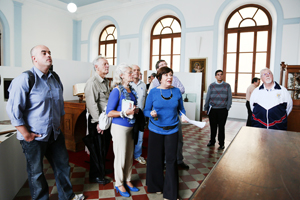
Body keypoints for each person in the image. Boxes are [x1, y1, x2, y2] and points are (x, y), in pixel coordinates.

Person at [6, 45, 84, 200]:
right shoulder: (24, 79)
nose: (48, 55)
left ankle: (67, 196)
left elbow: (59, 106)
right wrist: (26, 134)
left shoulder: (55, 78)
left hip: (54, 134)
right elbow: (14, 111)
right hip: (34, 137)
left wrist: (58, 127)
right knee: (36, 174)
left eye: (49, 52)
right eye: (44, 53)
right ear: (34, 58)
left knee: (63, 167)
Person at [145, 67, 187, 200]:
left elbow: (182, 109)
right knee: (155, 159)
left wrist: (184, 116)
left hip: (172, 130)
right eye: (166, 75)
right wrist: (151, 114)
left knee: (171, 160)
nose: (169, 77)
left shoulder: (177, 91)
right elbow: (146, 110)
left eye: (171, 75)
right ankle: (156, 186)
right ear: (159, 78)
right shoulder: (153, 92)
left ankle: (170, 193)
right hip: (155, 129)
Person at [148, 60, 189, 170]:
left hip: (173, 115)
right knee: (161, 146)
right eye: (161, 66)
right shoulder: (154, 83)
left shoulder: (173, 80)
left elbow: (182, 90)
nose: (164, 66)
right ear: (157, 70)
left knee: (178, 140)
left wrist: (171, 88)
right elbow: (150, 99)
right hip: (159, 119)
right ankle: (164, 162)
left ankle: (178, 160)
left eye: (165, 65)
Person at [106, 63, 140, 197]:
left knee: (129, 155)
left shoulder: (131, 90)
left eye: (132, 72)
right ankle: (119, 183)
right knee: (120, 156)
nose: (132, 74)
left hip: (131, 126)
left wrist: (135, 110)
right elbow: (109, 112)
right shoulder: (117, 91)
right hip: (120, 127)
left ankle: (128, 179)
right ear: (121, 75)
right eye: (129, 73)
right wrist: (124, 113)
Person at [84, 55, 111, 184]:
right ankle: (95, 176)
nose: (107, 66)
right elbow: (91, 104)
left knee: (103, 148)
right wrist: (99, 123)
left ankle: (101, 170)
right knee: (97, 149)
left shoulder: (105, 81)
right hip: (97, 122)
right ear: (96, 67)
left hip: (104, 120)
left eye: (107, 64)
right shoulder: (92, 82)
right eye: (104, 64)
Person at [204, 69, 232, 150]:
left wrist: (227, 107)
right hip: (212, 109)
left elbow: (229, 97)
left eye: (221, 74)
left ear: (223, 76)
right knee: (213, 127)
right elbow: (207, 97)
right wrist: (205, 108)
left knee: (221, 127)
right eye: (218, 74)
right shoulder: (211, 86)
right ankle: (212, 141)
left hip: (223, 110)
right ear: (215, 76)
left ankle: (221, 143)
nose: (220, 76)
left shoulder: (227, 86)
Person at [130, 64, 147, 164]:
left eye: (138, 70)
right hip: (129, 115)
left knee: (140, 136)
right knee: (129, 136)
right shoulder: (127, 84)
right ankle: (128, 155)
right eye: (134, 70)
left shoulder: (143, 85)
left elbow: (144, 101)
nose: (136, 72)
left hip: (140, 115)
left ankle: (137, 155)